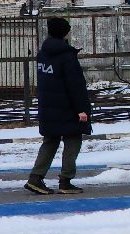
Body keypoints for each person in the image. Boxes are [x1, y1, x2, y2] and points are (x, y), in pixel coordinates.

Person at [25, 17, 93, 195]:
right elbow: (75, 85)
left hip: (48, 106)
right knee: (73, 139)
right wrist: (81, 109)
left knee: (50, 140)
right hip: (67, 107)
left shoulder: (43, 53)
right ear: (64, 32)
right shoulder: (66, 56)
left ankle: (35, 177)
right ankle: (65, 180)